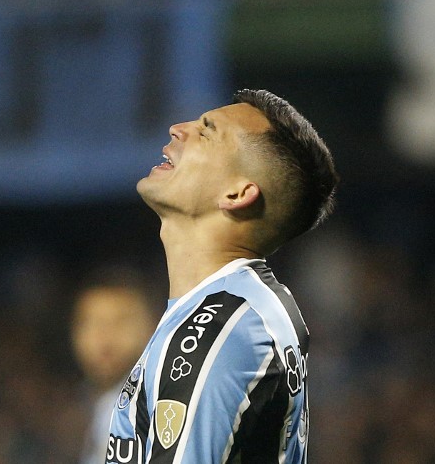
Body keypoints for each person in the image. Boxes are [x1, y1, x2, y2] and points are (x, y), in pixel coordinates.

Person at [104, 89, 338, 463]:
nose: (178, 129)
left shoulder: (215, 332)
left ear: (237, 193)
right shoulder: (246, 307)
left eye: (206, 131)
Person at [72, 270, 160, 464]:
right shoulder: (80, 405)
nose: (104, 337)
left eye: (121, 322)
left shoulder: (154, 406)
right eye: (94, 322)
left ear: (152, 325)